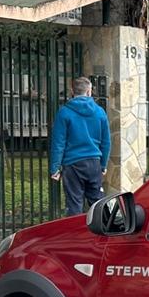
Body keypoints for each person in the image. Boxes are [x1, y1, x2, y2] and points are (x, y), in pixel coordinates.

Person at [49, 77, 110, 216]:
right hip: (94, 163)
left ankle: (75, 235)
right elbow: (106, 142)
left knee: (74, 205)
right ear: (89, 91)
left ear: (72, 91)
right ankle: (106, 232)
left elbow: (58, 142)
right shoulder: (100, 112)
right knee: (98, 203)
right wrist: (103, 165)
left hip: (72, 164)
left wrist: (55, 168)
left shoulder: (64, 112)